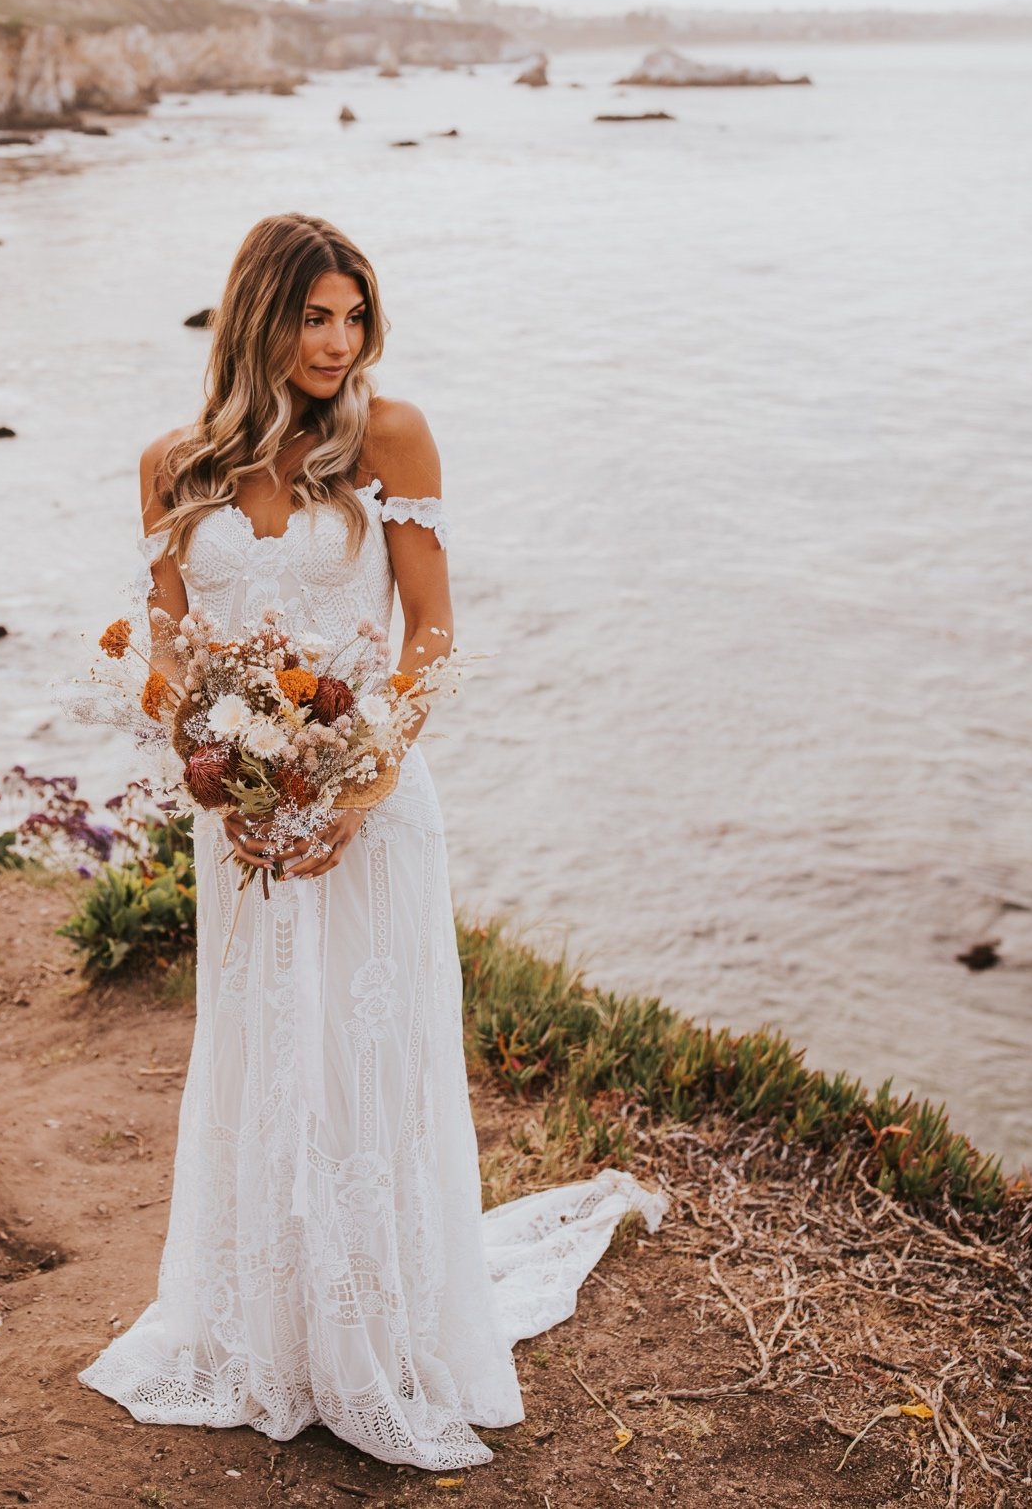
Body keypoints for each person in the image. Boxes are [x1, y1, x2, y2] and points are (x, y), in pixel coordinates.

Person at [81, 212, 662, 1471]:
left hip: (373, 815)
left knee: (367, 1060)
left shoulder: (389, 437)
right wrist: (221, 770)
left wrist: (356, 784)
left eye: (354, 317)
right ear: (257, 316)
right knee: (261, 1056)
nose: (339, 343)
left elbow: (432, 635)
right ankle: (269, 1331)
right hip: (239, 822)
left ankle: (382, 1332)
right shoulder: (172, 464)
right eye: (313, 316)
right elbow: (163, 649)